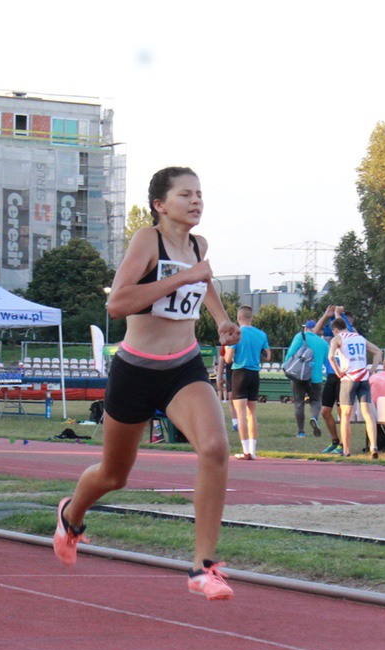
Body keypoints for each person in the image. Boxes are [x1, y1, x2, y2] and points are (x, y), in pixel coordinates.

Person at [53, 166, 241, 600]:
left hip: (183, 367)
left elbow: (203, 280)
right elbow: (118, 303)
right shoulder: (146, 241)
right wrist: (180, 278)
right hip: (135, 370)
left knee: (215, 448)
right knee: (114, 475)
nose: (196, 201)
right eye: (185, 194)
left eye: (199, 193)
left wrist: (222, 319)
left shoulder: (198, 245)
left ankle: (204, 568)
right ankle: (71, 516)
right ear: (160, 205)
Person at [328, 317, 383, 458]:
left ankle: (346, 450)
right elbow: (378, 352)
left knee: (345, 415)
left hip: (349, 378)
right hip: (363, 378)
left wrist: (338, 372)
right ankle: (373, 447)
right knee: (367, 414)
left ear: (335, 330)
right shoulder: (359, 337)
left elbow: (331, 357)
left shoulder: (338, 338)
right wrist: (372, 370)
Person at [223, 305, 269, 459]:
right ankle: (253, 450)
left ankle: (245, 450)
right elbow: (268, 356)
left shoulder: (236, 334)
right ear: (251, 317)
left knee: (241, 413)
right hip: (254, 374)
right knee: (252, 412)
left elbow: (228, 359)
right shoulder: (261, 334)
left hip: (239, 373)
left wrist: (229, 348)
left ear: (239, 317)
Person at [316, 306, 354, 453]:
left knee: (342, 412)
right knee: (325, 411)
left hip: (343, 376)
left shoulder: (351, 334)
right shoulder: (332, 334)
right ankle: (335, 441)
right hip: (332, 375)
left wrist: (338, 314)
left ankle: (343, 445)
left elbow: (348, 330)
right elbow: (316, 331)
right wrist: (326, 315)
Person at [284, 319, 330, 440]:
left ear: (306, 328)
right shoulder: (323, 343)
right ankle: (314, 417)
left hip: (298, 375)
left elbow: (290, 353)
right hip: (316, 377)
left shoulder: (300, 336)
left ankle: (301, 432)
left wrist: (287, 367)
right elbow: (327, 361)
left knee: (299, 403)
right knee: (316, 400)